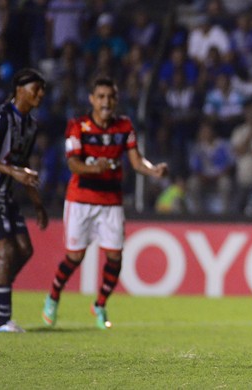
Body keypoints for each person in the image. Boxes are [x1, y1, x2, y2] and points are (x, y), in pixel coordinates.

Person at [41, 76, 168, 330]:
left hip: (111, 201)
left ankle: (99, 304)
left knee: (115, 256)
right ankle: (53, 296)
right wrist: (95, 168)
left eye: (110, 97)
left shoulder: (124, 126)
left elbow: (135, 160)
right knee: (75, 257)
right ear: (92, 99)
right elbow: (73, 163)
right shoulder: (79, 126)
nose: (106, 102)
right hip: (81, 199)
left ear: (116, 100)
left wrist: (152, 170)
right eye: (100, 97)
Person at [0, 68, 48, 332]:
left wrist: (37, 203)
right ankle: (1, 319)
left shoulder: (31, 124)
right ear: (19, 90)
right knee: (7, 250)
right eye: (36, 88)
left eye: (42, 89)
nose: (41, 94)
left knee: (24, 250)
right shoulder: (0, 117)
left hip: (8, 196)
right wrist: (13, 171)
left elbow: (22, 163)